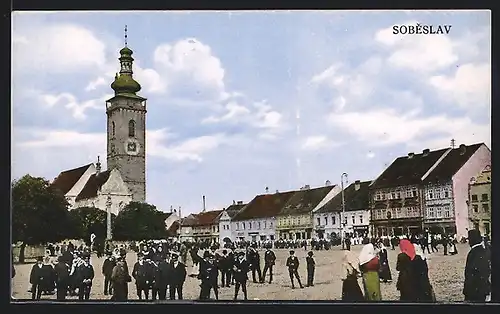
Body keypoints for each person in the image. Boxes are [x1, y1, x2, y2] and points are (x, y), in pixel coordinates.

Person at [463, 229, 491, 302]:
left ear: (472, 240)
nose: (469, 242)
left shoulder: (474, 252)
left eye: (469, 239)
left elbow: (473, 273)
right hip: (479, 289)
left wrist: (468, 291)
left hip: (475, 290)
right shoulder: (480, 250)